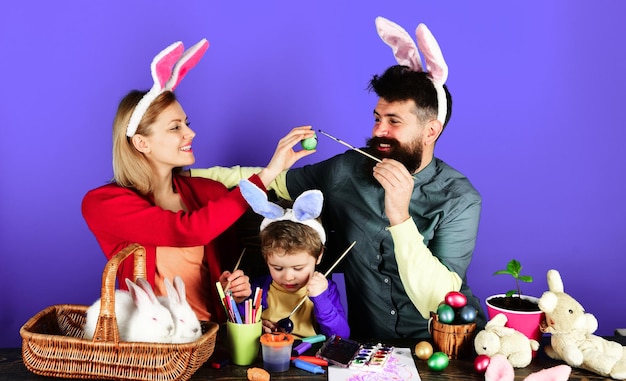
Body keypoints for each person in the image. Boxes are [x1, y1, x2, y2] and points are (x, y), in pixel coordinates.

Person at [189, 18, 486, 338]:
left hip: (446, 345)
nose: (378, 132)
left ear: (431, 131)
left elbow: (440, 300)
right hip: (363, 348)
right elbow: (264, 181)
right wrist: (180, 176)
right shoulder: (347, 170)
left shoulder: (460, 199)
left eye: (393, 121)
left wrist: (400, 218)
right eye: (377, 118)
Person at [81, 39, 315, 325]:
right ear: (141, 142)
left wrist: (230, 289)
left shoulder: (209, 193)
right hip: (154, 350)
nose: (190, 134)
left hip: (211, 341)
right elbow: (190, 230)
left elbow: (220, 278)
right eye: (175, 127)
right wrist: (269, 172)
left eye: (187, 123)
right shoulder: (103, 204)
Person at [238, 180, 349, 338]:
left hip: (310, 357)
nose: (288, 277)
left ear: (318, 256)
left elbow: (341, 337)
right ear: (266, 258)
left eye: (298, 268)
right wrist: (256, 326)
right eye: (277, 268)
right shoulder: (259, 289)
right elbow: (240, 326)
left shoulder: (326, 290)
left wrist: (321, 299)